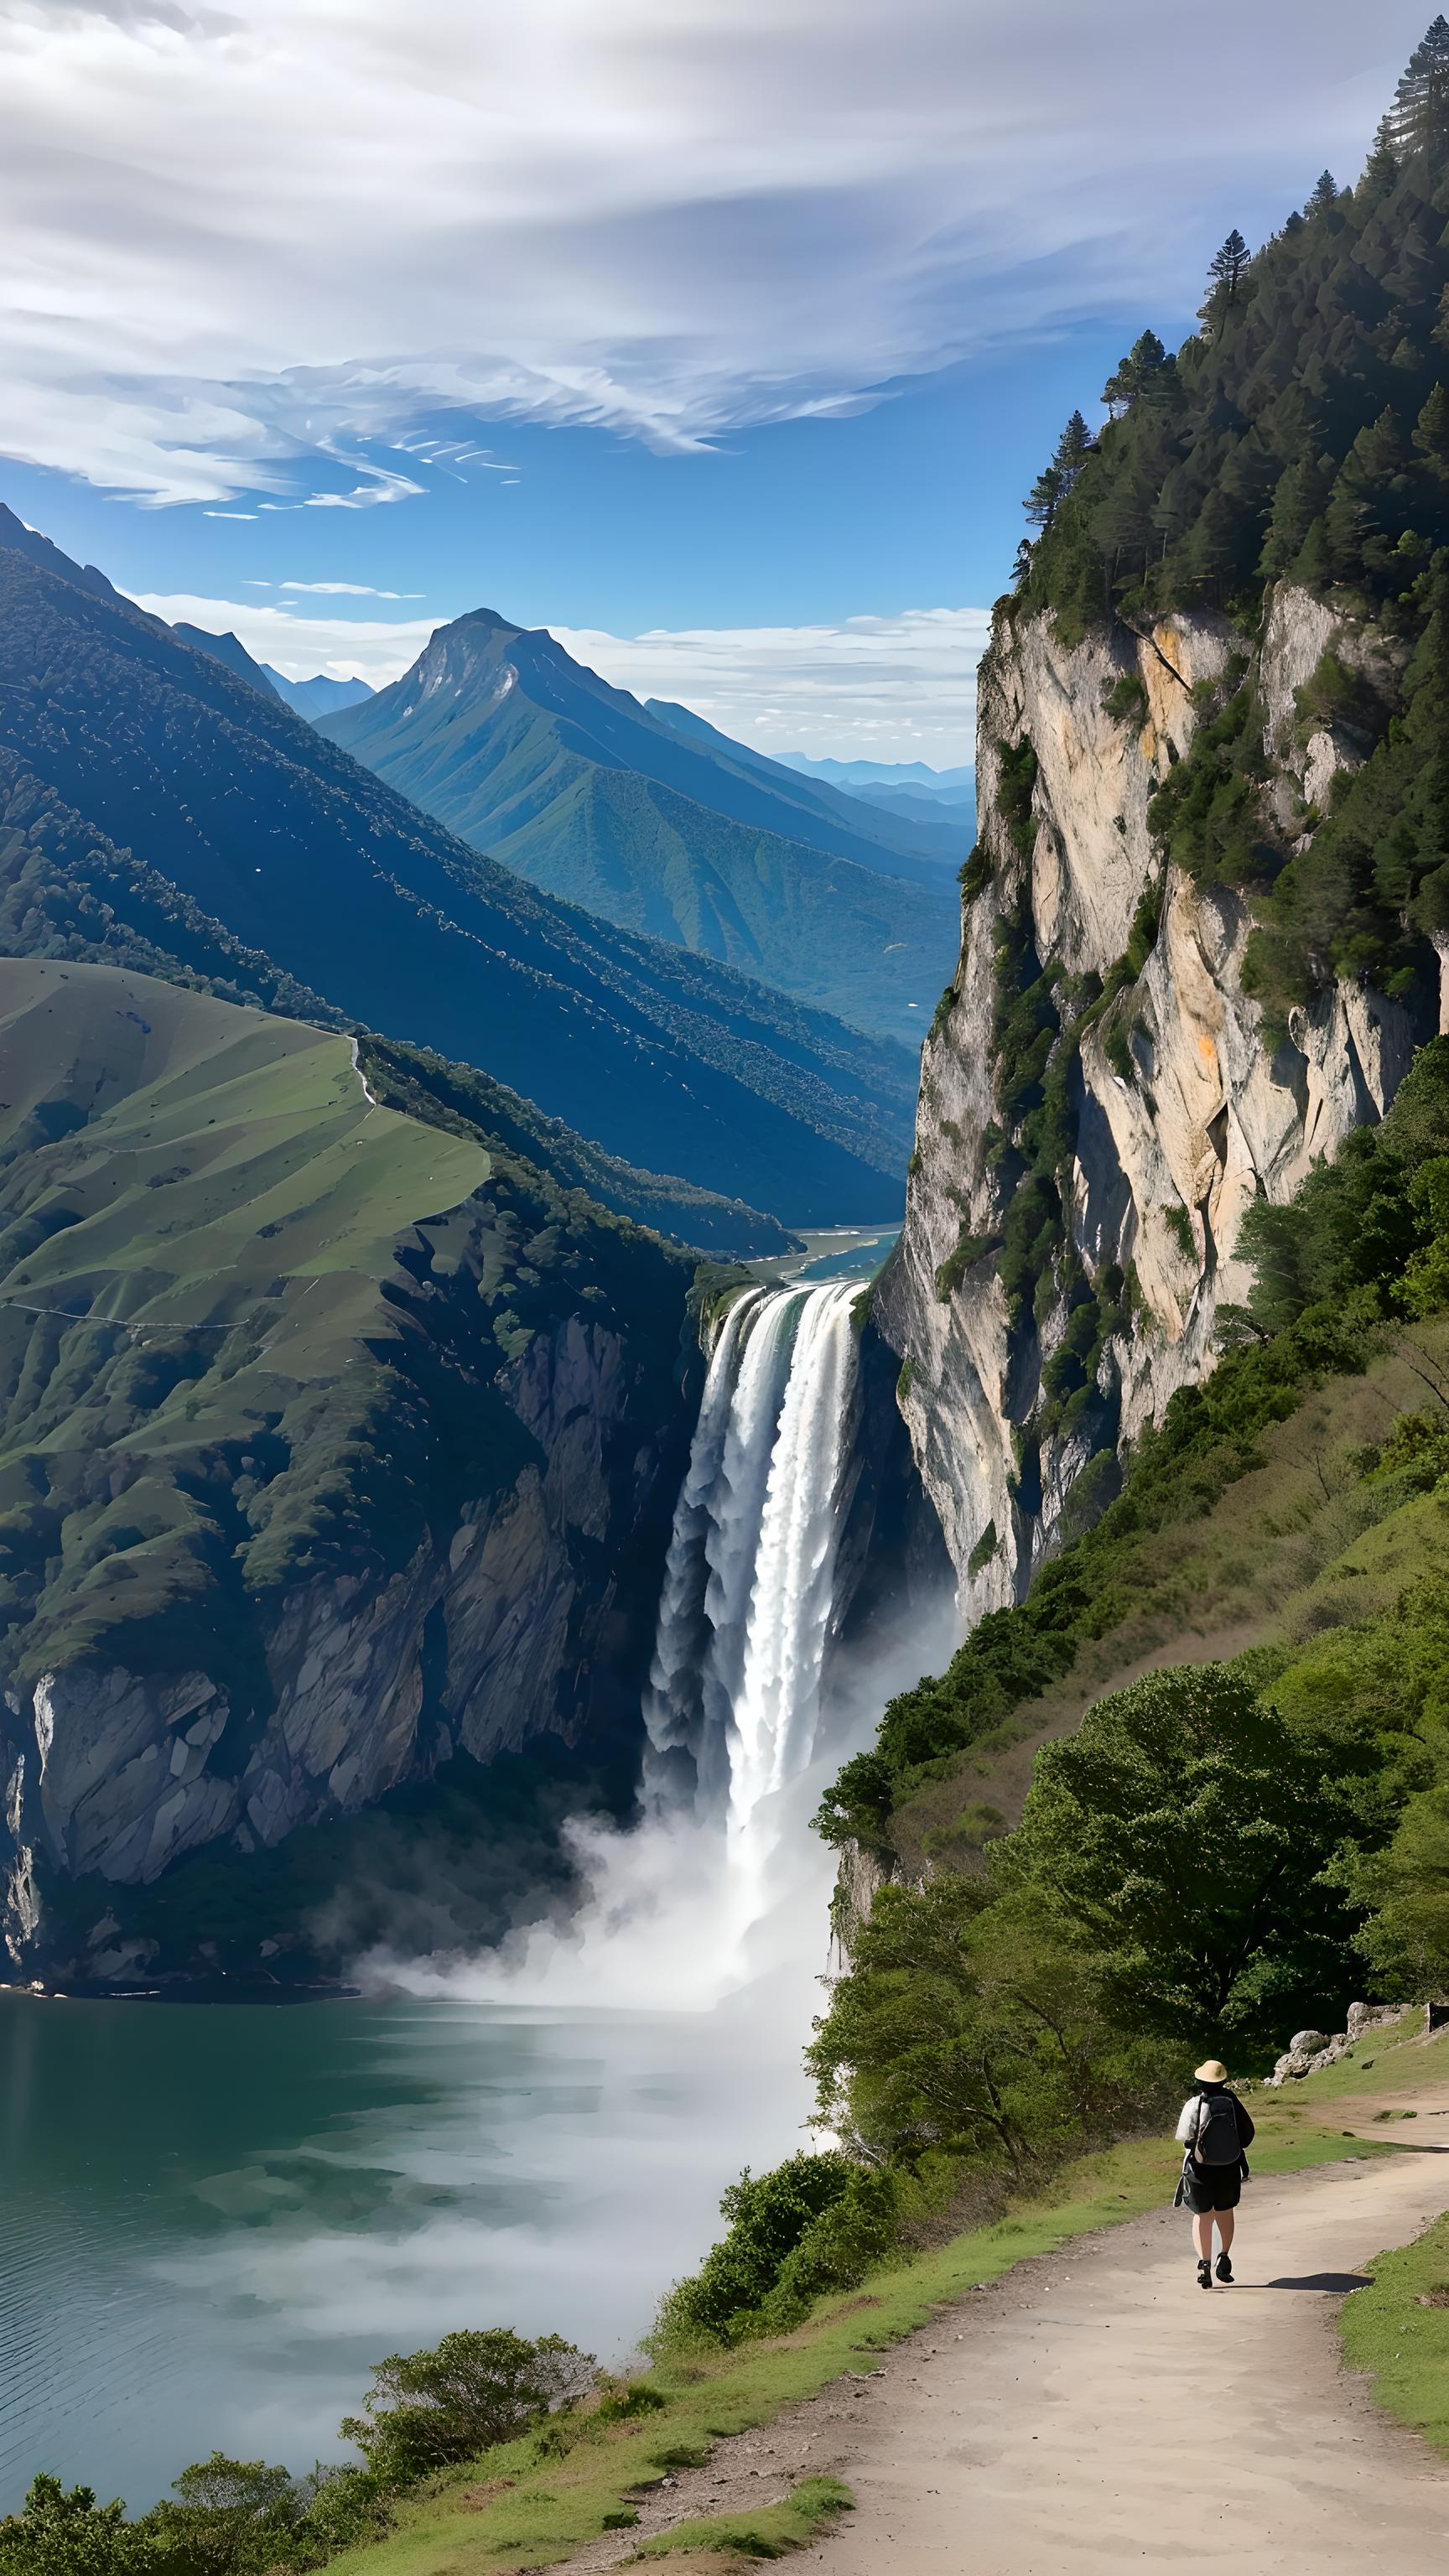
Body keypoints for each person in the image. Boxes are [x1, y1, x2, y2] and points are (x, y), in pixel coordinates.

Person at [1174, 2056, 1254, 2288]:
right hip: (1229, 2167)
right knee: (1225, 2211)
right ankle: (1224, 2256)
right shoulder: (1232, 2101)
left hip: (1200, 2170)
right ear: (1223, 2080)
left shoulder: (1194, 2104)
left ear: (1201, 2081)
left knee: (1203, 2216)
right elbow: (1247, 2135)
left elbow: (1184, 2137)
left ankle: (1205, 2264)